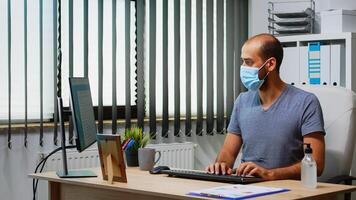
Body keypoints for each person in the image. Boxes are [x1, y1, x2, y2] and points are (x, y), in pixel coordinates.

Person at [206, 33, 325, 180]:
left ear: (270, 64)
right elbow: (228, 154)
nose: (243, 68)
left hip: (287, 191)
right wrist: (221, 166)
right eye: (242, 62)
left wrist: (270, 174)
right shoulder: (242, 101)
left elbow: (316, 165)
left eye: (248, 62)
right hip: (247, 188)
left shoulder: (306, 102)